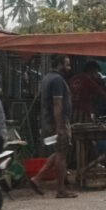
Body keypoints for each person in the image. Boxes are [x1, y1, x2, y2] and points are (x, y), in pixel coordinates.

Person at [32, 54, 78, 198]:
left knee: (59, 152)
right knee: (62, 155)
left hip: (51, 121)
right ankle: (60, 189)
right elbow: (57, 104)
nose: (69, 67)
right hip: (58, 122)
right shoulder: (57, 79)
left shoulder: (47, 78)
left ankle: (38, 178)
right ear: (60, 64)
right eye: (67, 64)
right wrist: (60, 126)